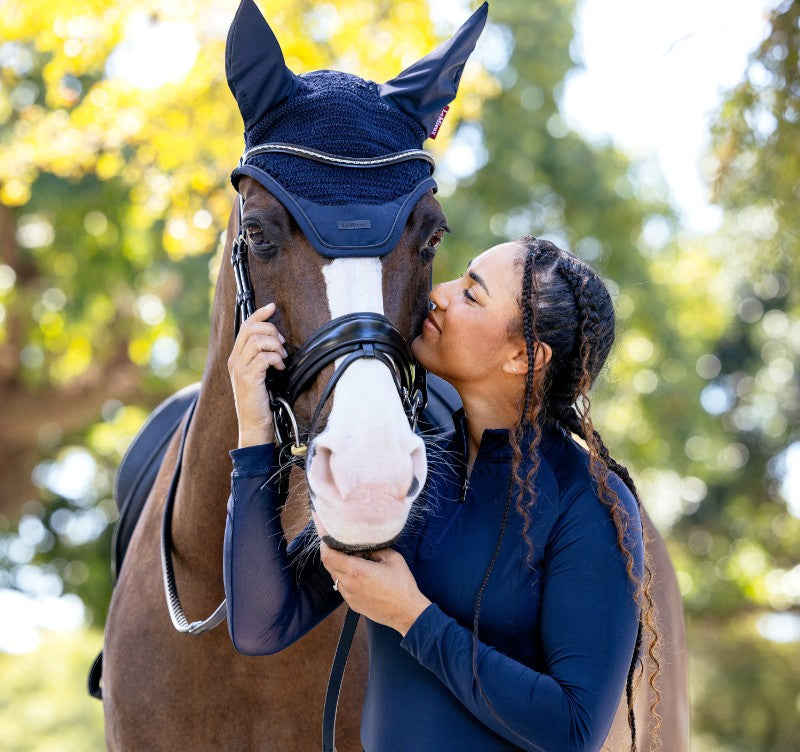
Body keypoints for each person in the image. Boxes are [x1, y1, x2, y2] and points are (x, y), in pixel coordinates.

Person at [223, 236, 660, 752]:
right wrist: (254, 428)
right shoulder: (411, 467)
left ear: (524, 355)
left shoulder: (588, 503)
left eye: (472, 294)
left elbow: (573, 730)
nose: (440, 294)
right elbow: (260, 625)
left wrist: (413, 617)